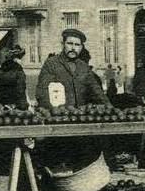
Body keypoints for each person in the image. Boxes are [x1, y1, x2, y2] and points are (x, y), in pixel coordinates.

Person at [35, 28, 109, 171]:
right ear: (63, 44)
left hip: (80, 121)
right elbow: (42, 92)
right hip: (58, 121)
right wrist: (55, 113)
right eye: (70, 43)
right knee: (57, 162)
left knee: (83, 160)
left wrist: (110, 109)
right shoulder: (52, 63)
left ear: (81, 47)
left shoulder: (83, 67)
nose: (73, 48)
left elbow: (96, 91)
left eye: (77, 45)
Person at [0, 45, 28, 110]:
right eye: (19, 58)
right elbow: (21, 90)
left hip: (0, 103)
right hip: (14, 103)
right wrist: (23, 104)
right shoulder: (18, 71)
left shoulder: (0, 70)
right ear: (16, 59)